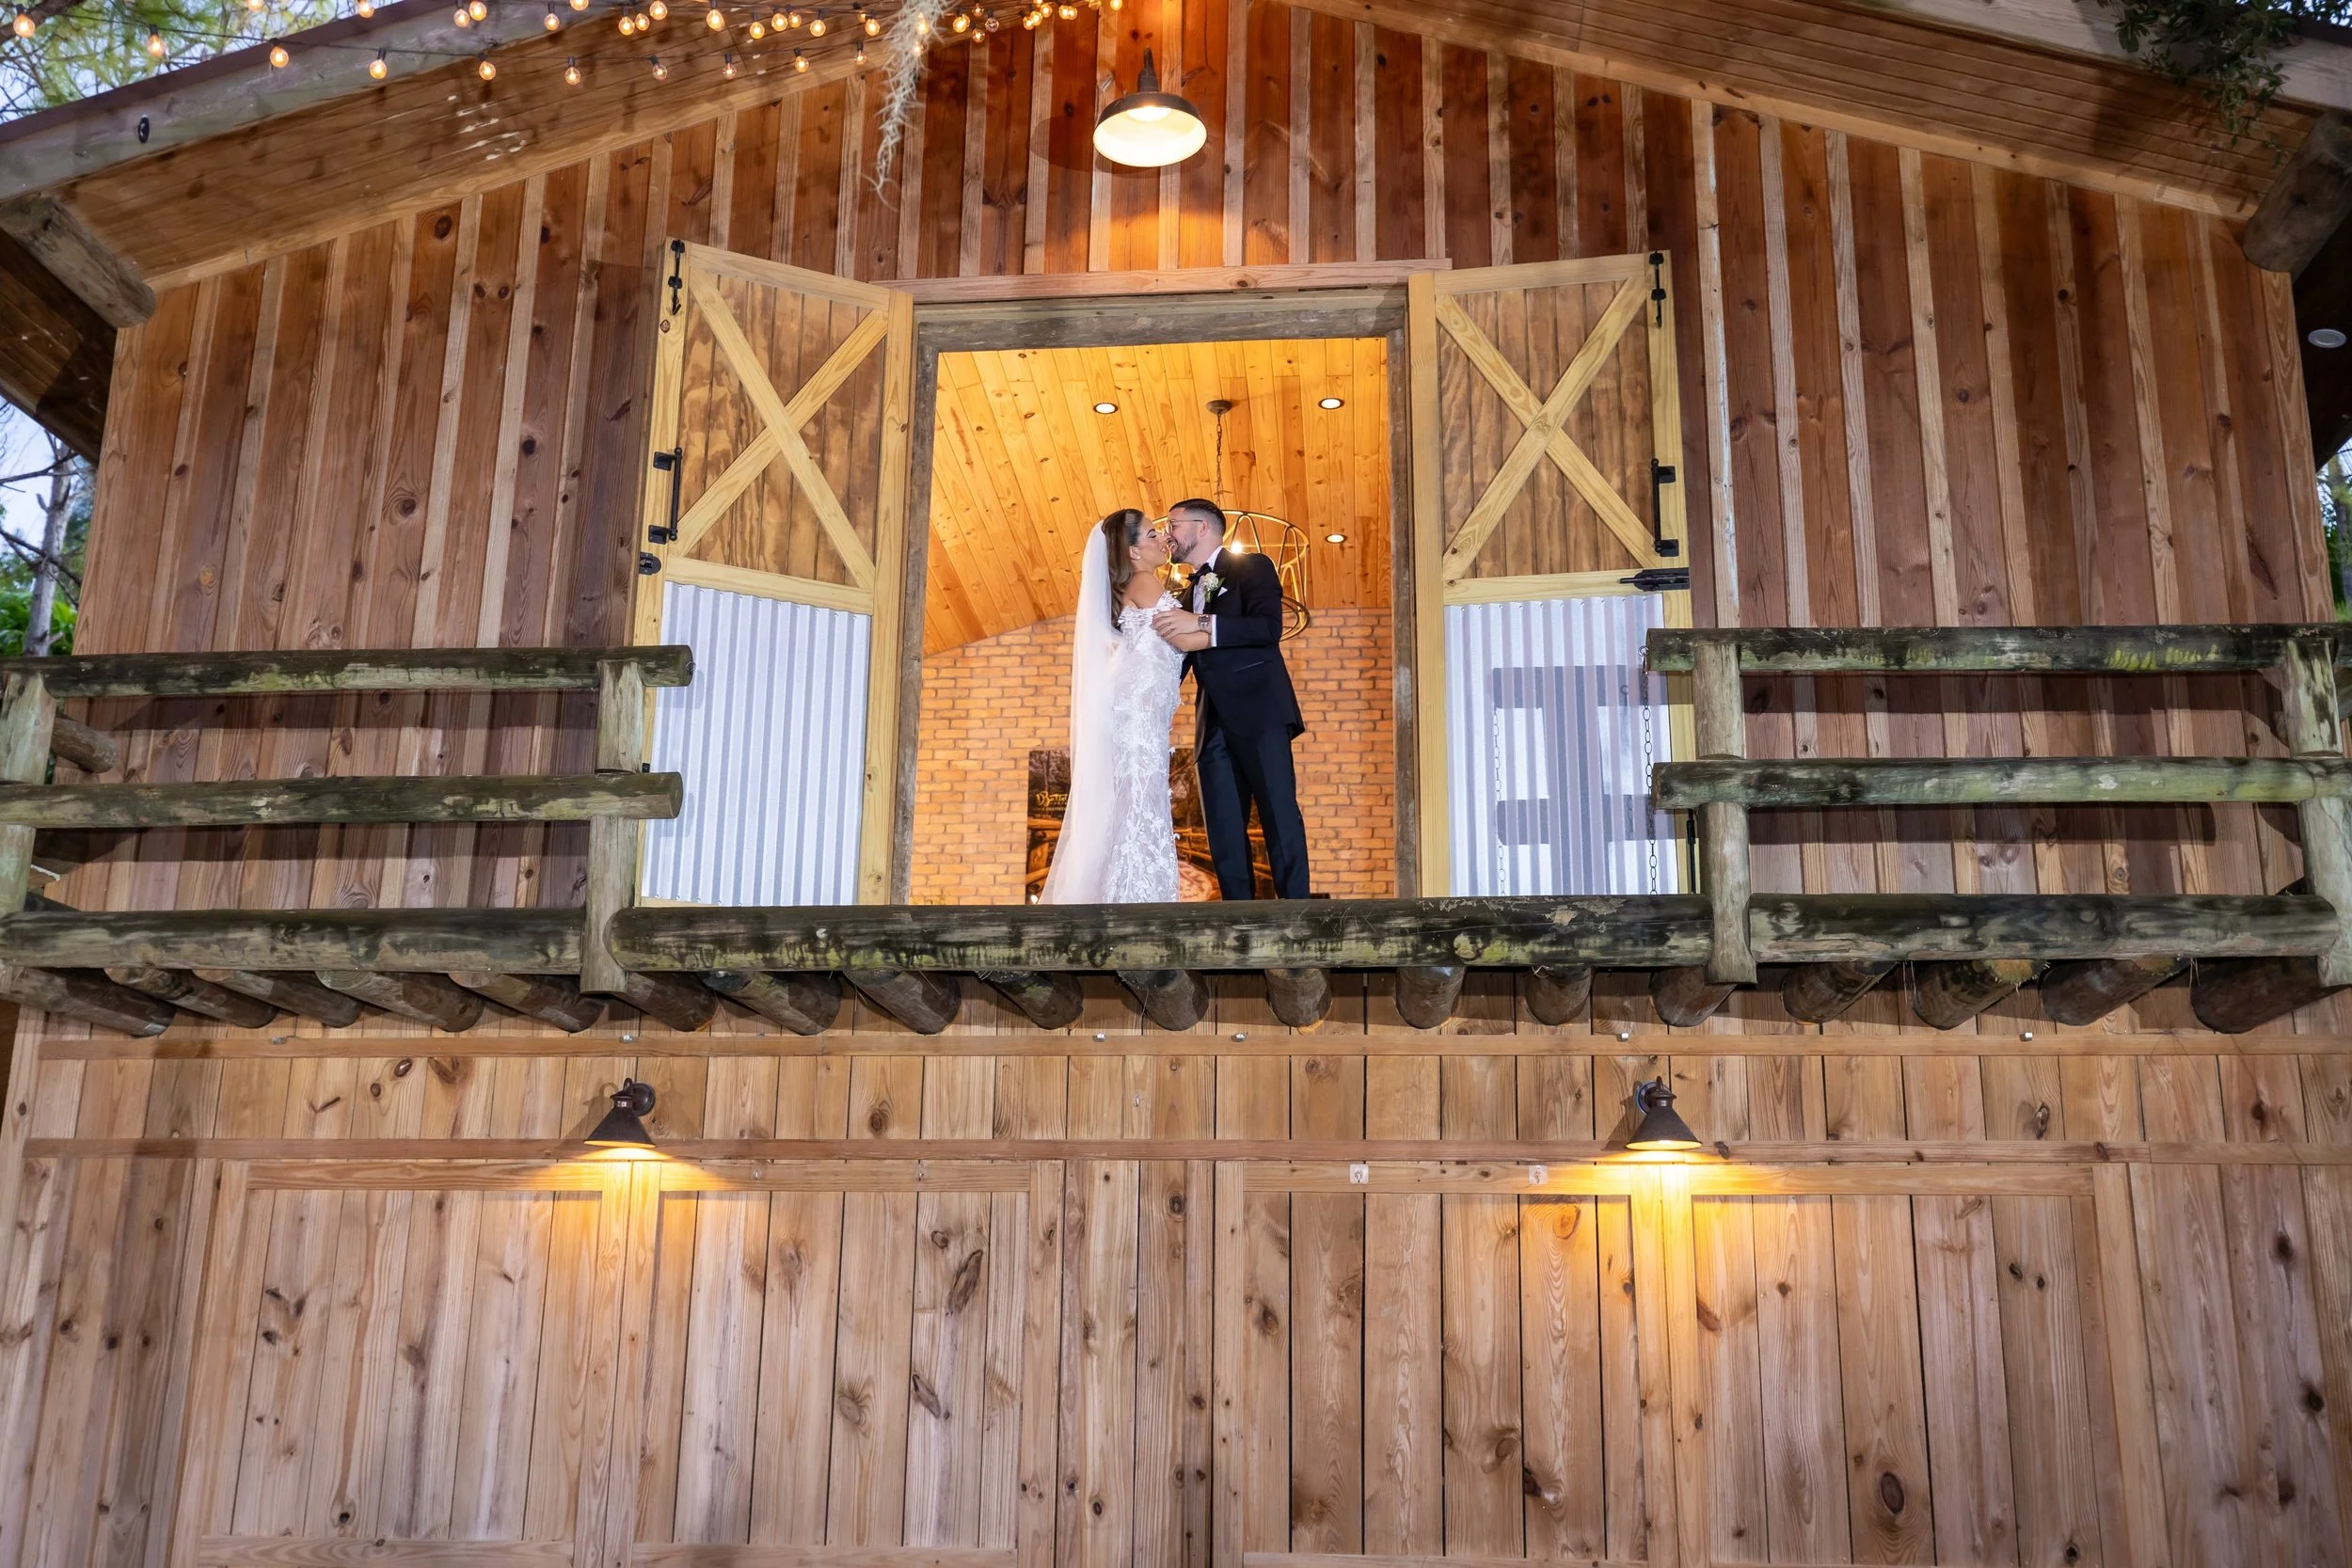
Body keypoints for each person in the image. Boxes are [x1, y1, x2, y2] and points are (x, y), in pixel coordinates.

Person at [1039, 508, 1208, 903]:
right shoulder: (1145, 581)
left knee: (1138, 795)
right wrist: (1231, 627)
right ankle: (1133, 897)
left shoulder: (1141, 582)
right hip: (1138, 711)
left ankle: (1129, 893)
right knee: (1138, 796)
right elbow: (1182, 637)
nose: (1163, 539)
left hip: (1141, 709)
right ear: (1132, 551)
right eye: (1152, 534)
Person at [1152, 498, 1311, 899]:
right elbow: (1175, 659)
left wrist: (1200, 621)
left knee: (1277, 810)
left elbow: (1266, 628)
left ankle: (1297, 912)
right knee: (1222, 823)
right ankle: (1236, 916)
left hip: (1260, 708)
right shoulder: (1186, 594)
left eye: (1173, 524)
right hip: (1211, 719)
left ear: (1202, 528)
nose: (1168, 533)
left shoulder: (1252, 567)